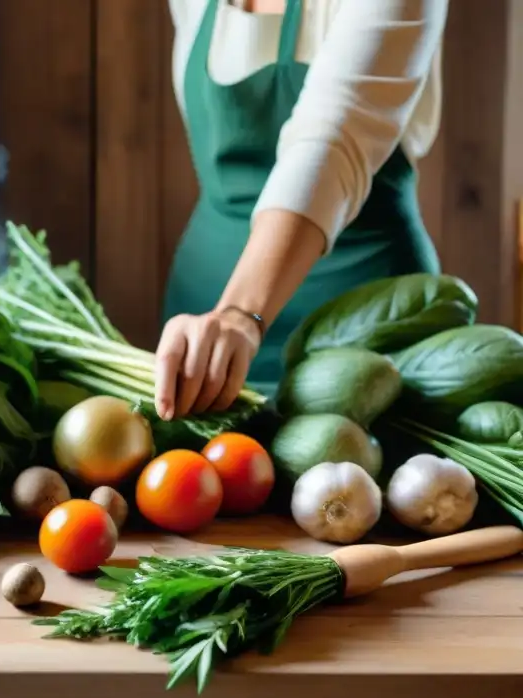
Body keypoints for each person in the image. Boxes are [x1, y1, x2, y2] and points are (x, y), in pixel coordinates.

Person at [156, 0, 448, 420]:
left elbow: (335, 135)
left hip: (367, 334)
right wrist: (223, 318)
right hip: (204, 320)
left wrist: (241, 313)